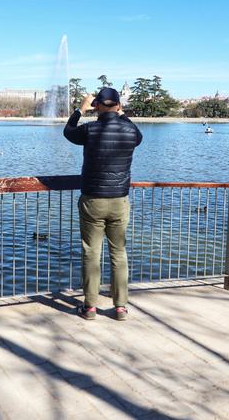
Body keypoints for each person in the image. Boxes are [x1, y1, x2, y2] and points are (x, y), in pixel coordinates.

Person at [64, 87, 143, 321]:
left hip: (93, 200)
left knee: (91, 253)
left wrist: (80, 109)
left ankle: (90, 307)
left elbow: (69, 132)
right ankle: (120, 307)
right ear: (118, 106)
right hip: (119, 200)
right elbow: (137, 134)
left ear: (97, 106)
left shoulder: (90, 130)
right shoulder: (131, 132)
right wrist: (121, 114)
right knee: (119, 253)